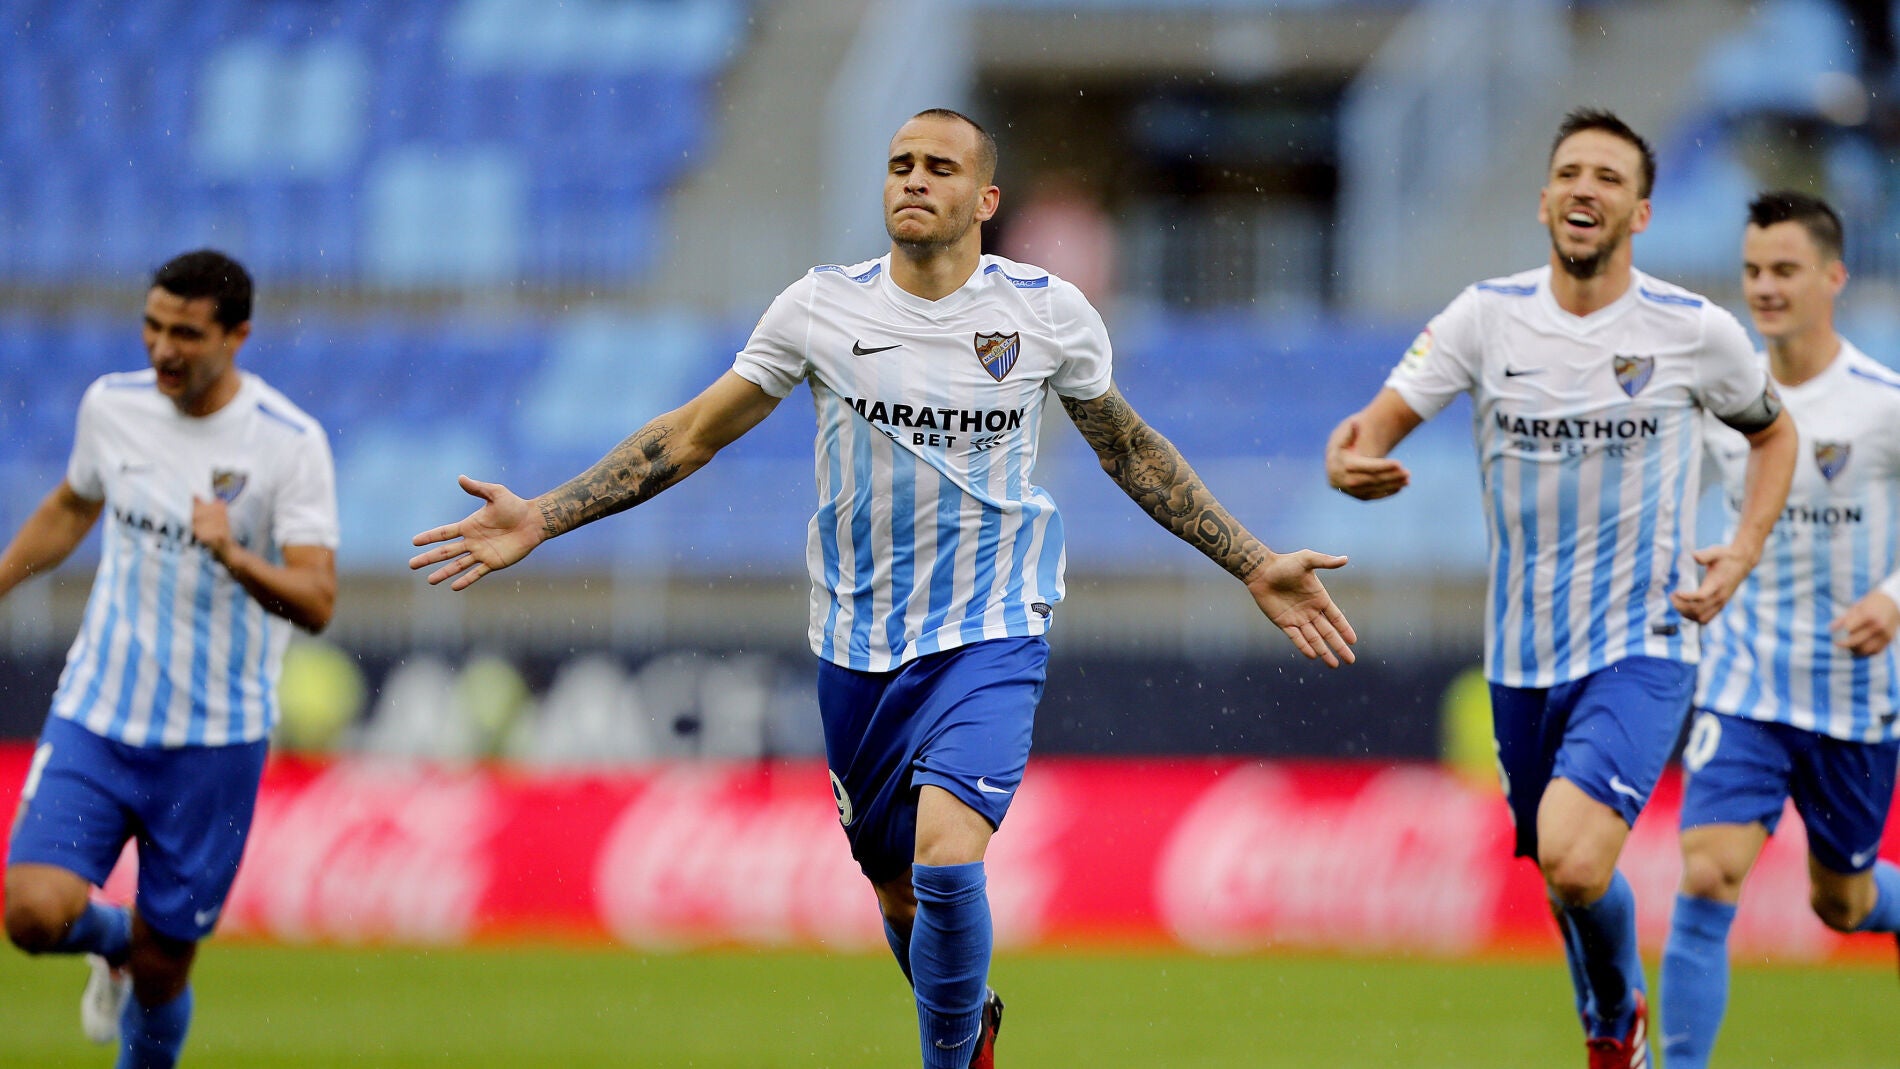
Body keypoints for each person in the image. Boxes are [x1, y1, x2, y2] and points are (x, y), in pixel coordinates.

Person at [411, 107, 1357, 1069]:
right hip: (857, 645)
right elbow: (691, 434)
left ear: (984, 199)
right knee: (899, 891)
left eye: (939, 167)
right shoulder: (821, 309)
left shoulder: (1045, 312)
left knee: (949, 859)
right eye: (900, 163)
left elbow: (1128, 448)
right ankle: (969, 1018)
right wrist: (545, 514)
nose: (913, 179)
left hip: (992, 628)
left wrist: (1249, 559)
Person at [1324, 108, 1797, 1068]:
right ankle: (1612, 1011)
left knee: (1578, 858)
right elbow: (1368, 431)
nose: (1587, 188)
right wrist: (1352, 464)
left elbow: (1774, 432)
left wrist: (1741, 549)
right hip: (1523, 655)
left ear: (1642, 212)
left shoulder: (1693, 331)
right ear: (1544, 200)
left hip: (1646, 642)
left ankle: (1617, 1011)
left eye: (1610, 178)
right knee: (1560, 869)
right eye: (1571, 173)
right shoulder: (1483, 316)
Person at [2, 250, 339, 1068]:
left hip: (214, 741)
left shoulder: (289, 445)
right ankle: (108, 934)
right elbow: (72, 504)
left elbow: (318, 599)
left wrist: (234, 557)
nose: (162, 349)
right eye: (152, 326)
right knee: (31, 913)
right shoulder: (111, 407)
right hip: (99, 712)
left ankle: (138, 964)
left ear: (237, 336)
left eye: (186, 333)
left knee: (163, 972)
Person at [1657, 191, 1900, 1069]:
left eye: (1785, 270)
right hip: (1744, 682)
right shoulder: (1724, 399)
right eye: (1754, 269)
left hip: (1854, 694)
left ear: (1834, 277)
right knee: (1710, 870)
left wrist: (1896, 598)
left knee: (1841, 903)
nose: (1764, 287)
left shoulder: (1881, 401)